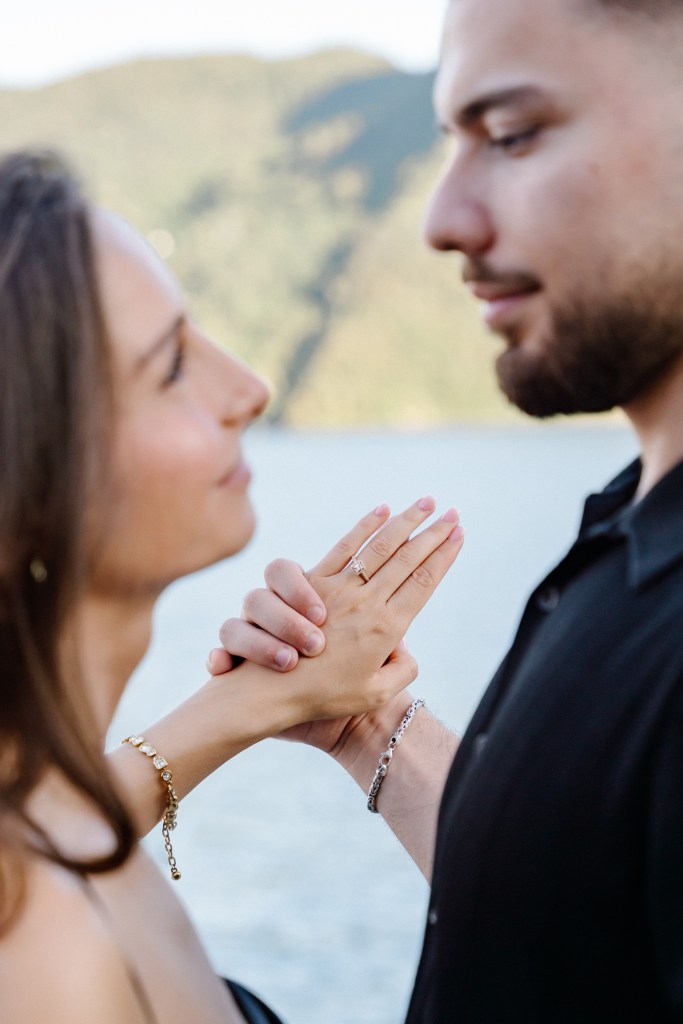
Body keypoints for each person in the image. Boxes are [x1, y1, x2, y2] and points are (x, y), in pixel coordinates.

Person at [213, 0, 683, 1018]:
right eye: (450, 144)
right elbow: (573, 923)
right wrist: (368, 724)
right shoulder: (630, 526)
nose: (441, 219)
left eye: (511, 135)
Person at [0, 149, 465, 1024]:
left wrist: (332, 715)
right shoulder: (47, 966)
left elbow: (67, 822)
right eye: (171, 367)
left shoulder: (65, 841)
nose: (249, 390)